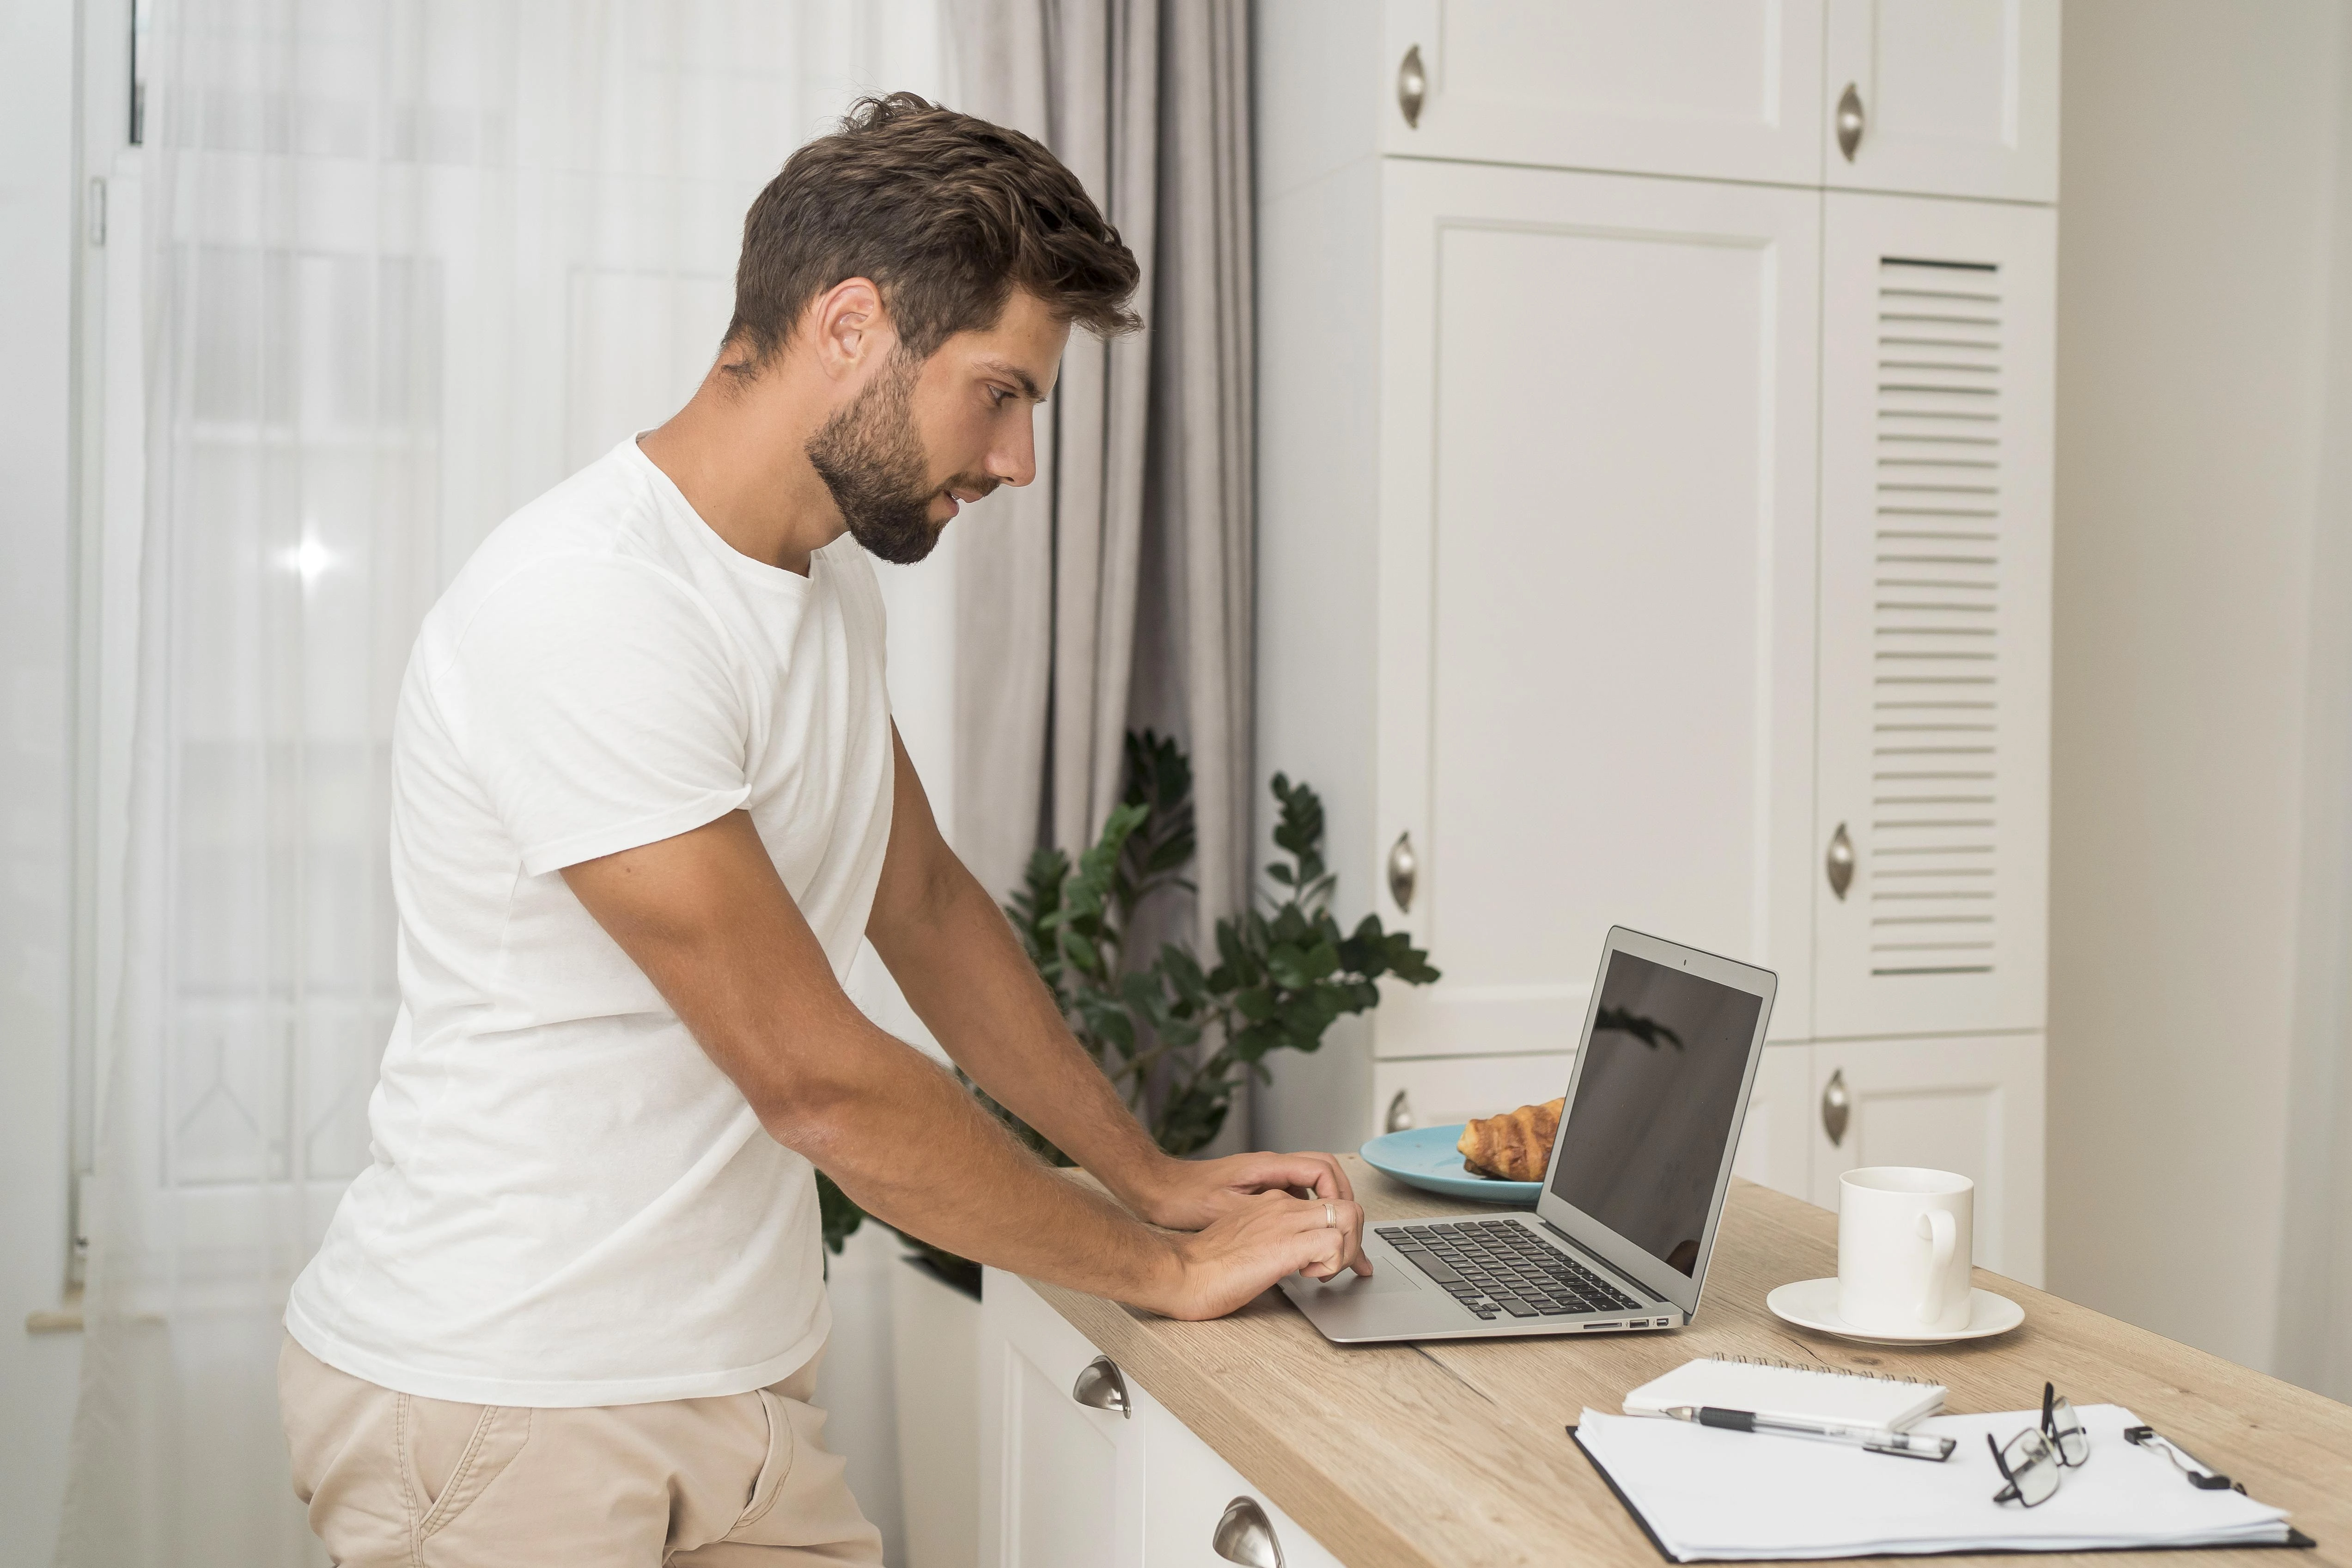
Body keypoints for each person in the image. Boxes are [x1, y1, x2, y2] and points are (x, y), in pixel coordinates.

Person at [274, 92, 1370, 1566]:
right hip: (506, 1406)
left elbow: (924, 904)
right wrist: (1162, 1270)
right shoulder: (589, 603)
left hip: (733, 1396)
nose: (1020, 461)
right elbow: (819, 1087)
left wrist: (1152, 1175)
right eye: (1000, 392)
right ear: (851, 324)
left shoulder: (821, 581)